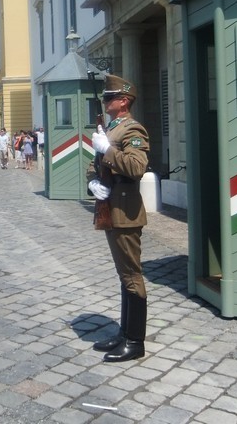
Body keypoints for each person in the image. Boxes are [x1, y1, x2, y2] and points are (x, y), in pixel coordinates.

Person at [87, 73, 150, 362]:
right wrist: (93, 182)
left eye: (110, 97)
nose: (105, 101)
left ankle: (135, 342)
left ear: (124, 101)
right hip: (112, 208)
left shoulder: (132, 129)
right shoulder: (111, 129)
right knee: (124, 275)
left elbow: (136, 167)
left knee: (132, 276)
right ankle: (125, 333)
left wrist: (107, 149)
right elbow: (96, 164)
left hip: (126, 212)